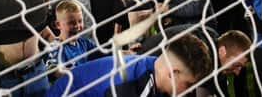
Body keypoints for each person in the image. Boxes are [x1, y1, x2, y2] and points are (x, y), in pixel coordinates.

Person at [46, 33, 212, 97]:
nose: (190, 90)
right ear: (173, 73)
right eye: (189, 85)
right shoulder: (131, 86)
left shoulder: (152, 67)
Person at [45, 0, 98, 78]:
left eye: (80, 21)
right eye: (71, 23)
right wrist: (79, 72)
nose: (77, 26)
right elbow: (54, 70)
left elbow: (106, 53)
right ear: (57, 24)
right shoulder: (54, 47)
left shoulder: (84, 42)